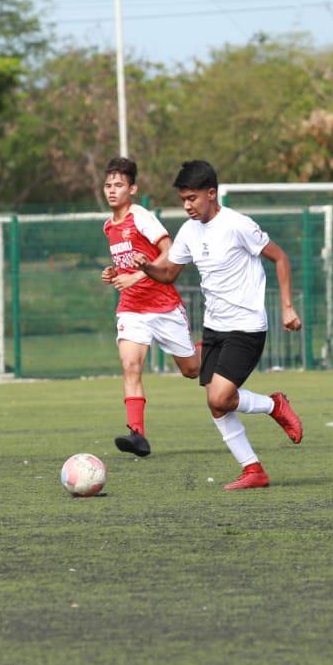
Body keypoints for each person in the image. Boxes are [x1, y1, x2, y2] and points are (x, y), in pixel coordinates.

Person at [111, 160, 304, 490]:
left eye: (192, 198)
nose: (187, 206)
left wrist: (287, 307)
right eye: (183, 199)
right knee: (216, 404)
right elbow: (170, 273)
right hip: (214, 328)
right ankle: (253, 469)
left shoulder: (237, 224)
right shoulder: (189, 231)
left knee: (219, 398)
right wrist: (147, 267)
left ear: (211, 194)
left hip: (246, 327)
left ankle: (274, 405)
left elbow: (280, 257)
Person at [99, 157, 201, 457]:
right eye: (108, 185)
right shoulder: (109, 226)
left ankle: (210, 347)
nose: (112, 190)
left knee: (192, 370)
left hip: (164, 306)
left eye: (119, 185)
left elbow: (169, 251)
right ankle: (137, 436)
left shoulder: (140, 216)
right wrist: (114, 273)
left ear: (133, 188)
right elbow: (126, 262)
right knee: (130, 367)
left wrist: (137, 276)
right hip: (132, 309)